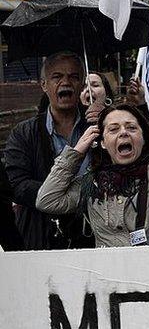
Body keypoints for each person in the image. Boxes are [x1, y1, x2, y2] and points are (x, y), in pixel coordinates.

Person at [34, 79, 149, 248]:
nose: (123, 133)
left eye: (132, 128)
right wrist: (77, 151)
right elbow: (47, 200)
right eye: (113, 129)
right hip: (108, 271)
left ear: (143, 137)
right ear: (103, 142)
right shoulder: (92, 183)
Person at [4, 51, 93, 250]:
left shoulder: (97, 127)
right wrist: (61, 197)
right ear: (44, 85)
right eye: (57, 77)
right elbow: (16, 184)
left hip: (93, 234)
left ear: (82, 84)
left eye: (73, 76)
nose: (66, 82)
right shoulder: (24, 133)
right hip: (41, 235)